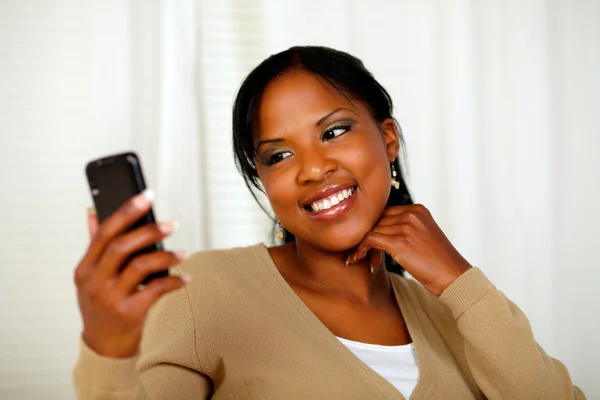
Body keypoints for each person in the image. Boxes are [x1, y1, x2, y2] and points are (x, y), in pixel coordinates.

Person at [72, 46, 586, 400]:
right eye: (278, 156)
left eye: (334, 131)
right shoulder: (202, 293)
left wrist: (459, 282)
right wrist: (108, 352)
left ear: (388, 138)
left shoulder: (453, 315)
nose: (313, 168)